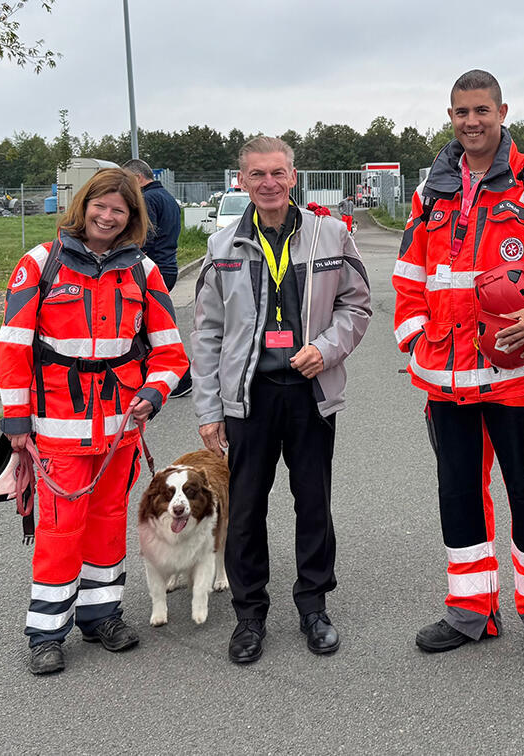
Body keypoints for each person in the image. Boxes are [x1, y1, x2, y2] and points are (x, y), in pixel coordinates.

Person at [392, 69, 524, 667]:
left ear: (502, 112)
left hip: (517, 375)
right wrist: (414, 342)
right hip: (446, 379)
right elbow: (409, 278)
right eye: (462, 112)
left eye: (482, 110)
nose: (472, 121)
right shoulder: (431, 190)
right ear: (450, 116)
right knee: (458, 494)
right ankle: (471, 608)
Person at [0, 168, 189, 675]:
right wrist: (16, 421)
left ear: (132, 217)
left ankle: (101, 616)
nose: (107, 216)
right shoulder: (41, 263)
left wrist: (154, 392)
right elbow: (13, 345)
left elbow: (170, 350)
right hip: (57, 429)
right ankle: (46, 633)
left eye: (118, 210)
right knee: (60, 532)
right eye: (100, 206)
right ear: (82, 207)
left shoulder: (143, 271)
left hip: (121, 430)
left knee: (106, 525)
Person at [192, 136, 372, 665]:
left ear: (294, 177)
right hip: (248, 398)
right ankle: (250, 615)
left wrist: (326, 348)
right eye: (257, 174)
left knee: (313, 502)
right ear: (241, 180)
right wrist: (209, 410)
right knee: (246, 508)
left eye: (277, 173)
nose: (268, 183)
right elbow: (207, 333)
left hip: (311, 392)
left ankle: (313, 606)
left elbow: (357, 306)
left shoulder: (331, 234)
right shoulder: (222, 246)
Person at [122, 158, 191, 397]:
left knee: (148, 327)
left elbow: (145, 237)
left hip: (152, 269)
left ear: (137, 178)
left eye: (127, 180)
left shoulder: (147, 199)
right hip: (168, 266)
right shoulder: (167, 197)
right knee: (152, 324)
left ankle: (181, 377)